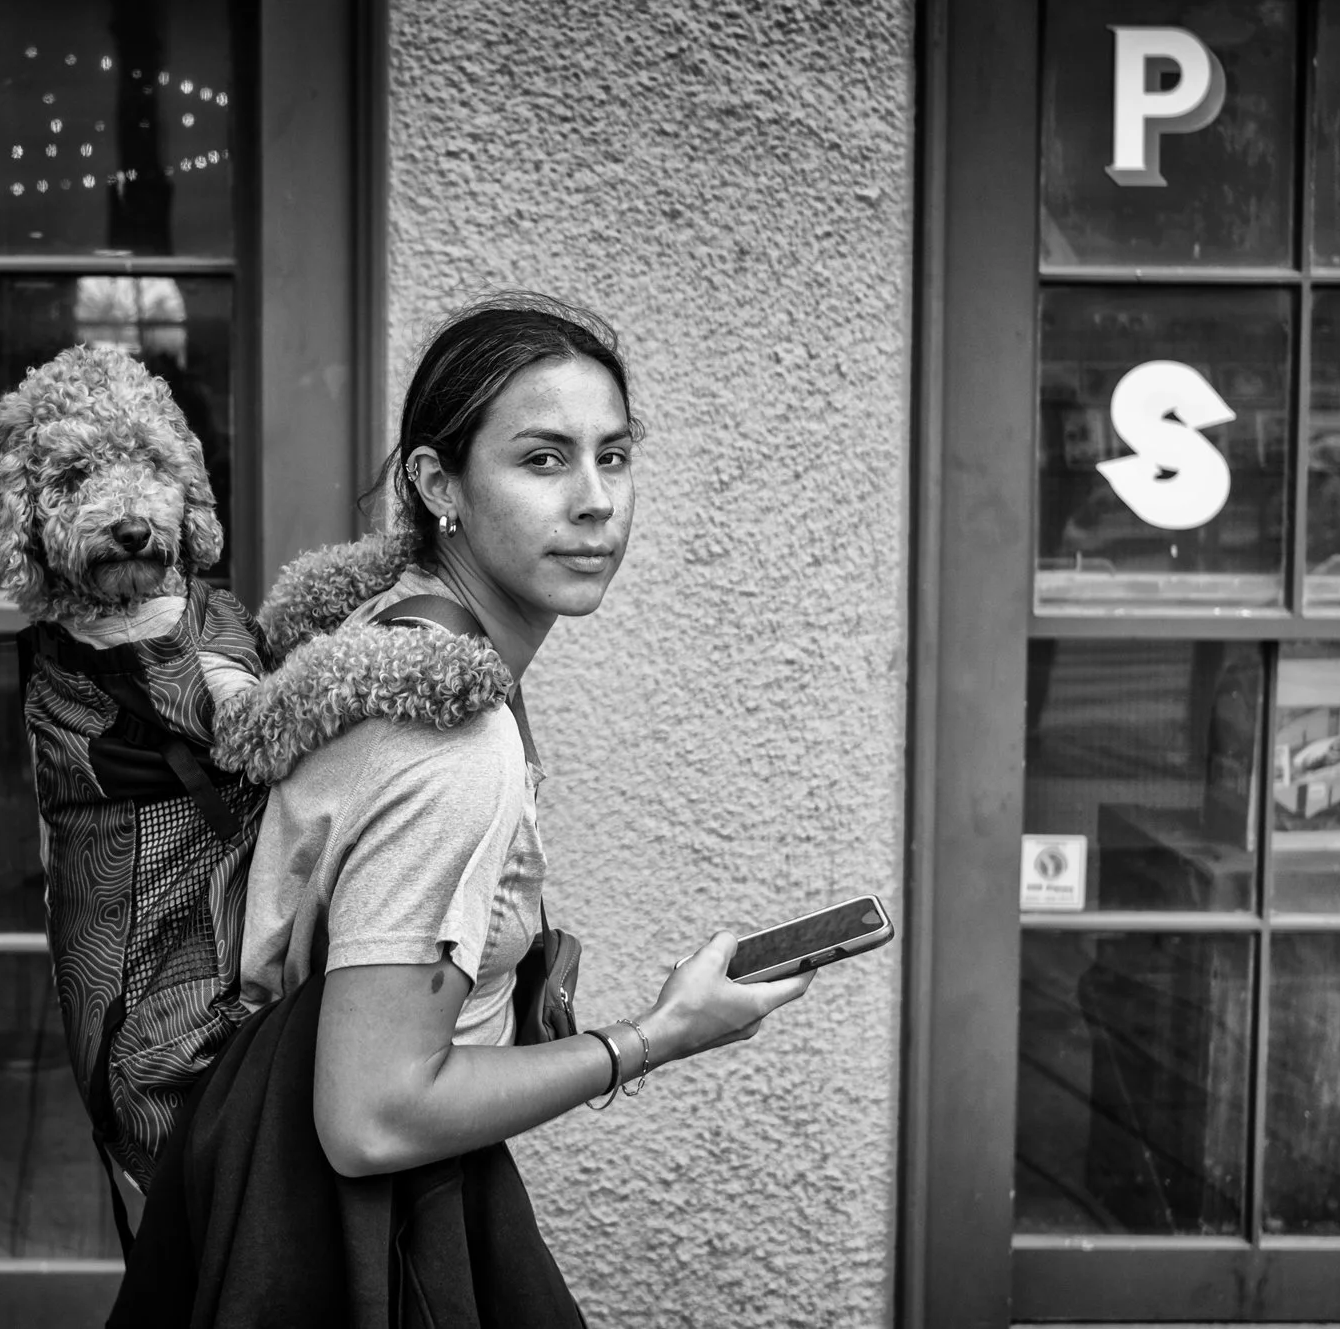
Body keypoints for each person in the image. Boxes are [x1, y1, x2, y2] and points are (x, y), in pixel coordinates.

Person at [108, 293, 815, 1327]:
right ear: (437, 483)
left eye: (611, 457)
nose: (594, 502)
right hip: (354, 1227)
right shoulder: (448, 740)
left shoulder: (390, 629)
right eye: (541, 459)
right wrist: (656, 1035)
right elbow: (372, 1116)